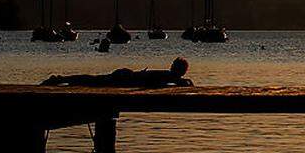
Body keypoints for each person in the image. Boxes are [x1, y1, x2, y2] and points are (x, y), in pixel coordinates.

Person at [41, 57, 194, 88]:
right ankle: (60, 79)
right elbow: (182, 83)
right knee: (91, 81)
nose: (171, 66)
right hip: (124, 79)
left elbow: (181, 83)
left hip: (125, 77)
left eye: (174, 65)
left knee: (91, 80)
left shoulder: (170, 76)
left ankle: (61, 79)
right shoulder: (169, 76)